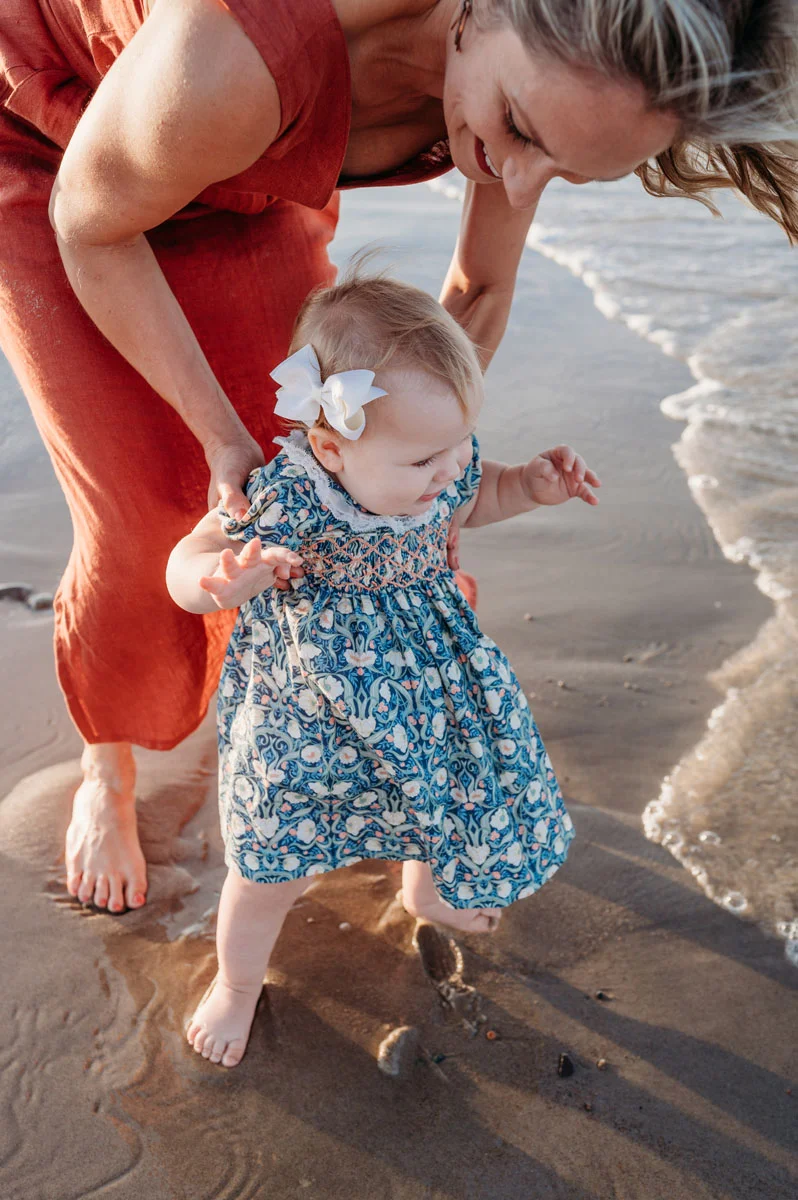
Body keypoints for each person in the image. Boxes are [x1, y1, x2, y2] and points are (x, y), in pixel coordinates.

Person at [0, 1, 795, 914]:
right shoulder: (246, 48)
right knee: (151, 507)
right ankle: (109, 763)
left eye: (566, 172)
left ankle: (376, 776)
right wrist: (223, 437)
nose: (521, 182)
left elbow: (481, 289)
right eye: (522, 132)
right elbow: (92, 221)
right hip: (66, 155)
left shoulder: (514, 88)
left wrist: (430, 482)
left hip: (238, 170)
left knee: (364, 469)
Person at [166, 269, 599, 1067]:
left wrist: (529, 486)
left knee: (434, 793)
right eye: (426, 459)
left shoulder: (441, 468)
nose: (448, 472)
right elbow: (185, 560)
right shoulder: (286, 496)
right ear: (329, 445)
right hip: (305, 714)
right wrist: (217, 580)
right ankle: (236, 983)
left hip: (426, 688)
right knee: (268, 860)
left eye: (459, 445)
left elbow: (476, 496)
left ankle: (424, 889)